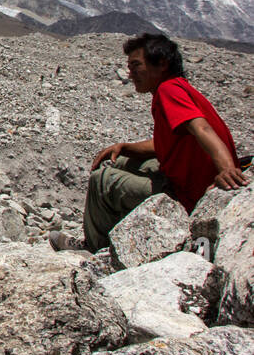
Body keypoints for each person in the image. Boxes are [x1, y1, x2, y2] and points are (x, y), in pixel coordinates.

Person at [52, 32, 247, 252]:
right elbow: (166, 143)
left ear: (162, 64)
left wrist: (227, 170)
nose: (130, 73)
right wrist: (124, 148)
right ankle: (119, 230)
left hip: (190, 196)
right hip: (189, 180)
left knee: (102, 181)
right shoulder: (178, 87)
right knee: (122, 163)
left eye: (136, 65)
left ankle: (96, 248)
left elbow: (201, 128)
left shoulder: (168, 90)